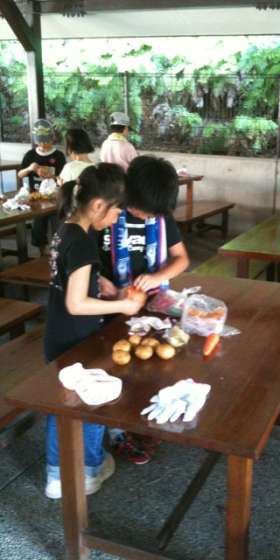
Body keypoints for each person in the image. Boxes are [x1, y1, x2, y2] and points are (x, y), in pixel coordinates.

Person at [44, 163, 144, 499]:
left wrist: (100, 283)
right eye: (116, 211)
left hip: (58, 334)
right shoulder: (84, 243)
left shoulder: (67, 229)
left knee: (62, 404)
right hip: (78, 337)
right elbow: (76, 303)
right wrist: (123, 306)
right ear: (99, 205)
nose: (116, 219)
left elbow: (71, 278)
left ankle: (56, 475)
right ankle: (88, 470)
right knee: (91, 404)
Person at [97, 155, 189, 463]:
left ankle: (141, 417)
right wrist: (102, 282)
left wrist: (159, 277)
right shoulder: (108, 214)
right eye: (143, 210)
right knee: (112, 368)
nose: (149, 215)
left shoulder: (161, 216)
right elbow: (82, 262)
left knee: (149, 366)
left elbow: (181, 258)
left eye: (154, 212)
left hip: (151, 308)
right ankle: (116, 431)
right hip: (108, 309)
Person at [18, 119, 66, 255]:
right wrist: (29, 168)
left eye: (46, 141)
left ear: (52, 138)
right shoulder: (30, 155)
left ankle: (58, 254)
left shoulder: (58, 155)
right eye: (40, 142)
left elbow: (63, 178)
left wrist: (51, 175)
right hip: (36, 198)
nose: (43, 144)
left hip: (54, 198)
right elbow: (20, 174)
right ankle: (42, 254)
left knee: (58, 227)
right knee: (38, 227)